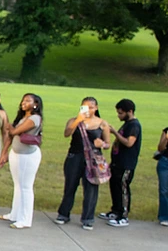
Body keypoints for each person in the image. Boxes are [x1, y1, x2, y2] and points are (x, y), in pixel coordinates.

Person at [55, 97, 111, 230]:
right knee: (70, 185)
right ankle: (64, 213)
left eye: (91, 107)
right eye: (85, 107)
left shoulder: (102, 123)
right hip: (75, 157)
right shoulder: (74, 120)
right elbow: (67, 133)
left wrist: (102, 144)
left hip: (92, 160)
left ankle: (88, 218)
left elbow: (108, 144)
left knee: (91, 188)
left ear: (96, 108)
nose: (88, 110)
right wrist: (78, 121)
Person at [0, 93, 43, 229]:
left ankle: (25, 219)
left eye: (28, 101)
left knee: (26, 187)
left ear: (35, 104)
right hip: (16, 153)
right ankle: (15, 214)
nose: (24, 102)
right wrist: (4, 152)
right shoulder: (22, 117)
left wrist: (10, 128)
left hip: (28, 155)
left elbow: (15, 131)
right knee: (18, 185)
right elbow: (10, 137)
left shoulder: (35, 118)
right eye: (23, 100)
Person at [100, 99, 141, 227]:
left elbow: (129, 142)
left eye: (121, 113)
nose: (119, 116)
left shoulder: (134, 125)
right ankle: (115, 210)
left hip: (126, 164)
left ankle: (123, 215)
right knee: (115, 186)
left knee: (123, 188)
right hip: (117, 163)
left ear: (130, 111)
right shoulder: (127, 124)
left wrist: (114, 133)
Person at [157, 127, 168, 227]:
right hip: (165, 162)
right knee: (164, 190)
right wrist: (166, 138)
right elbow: (160, 148)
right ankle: (164, 216)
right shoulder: (166, 131)